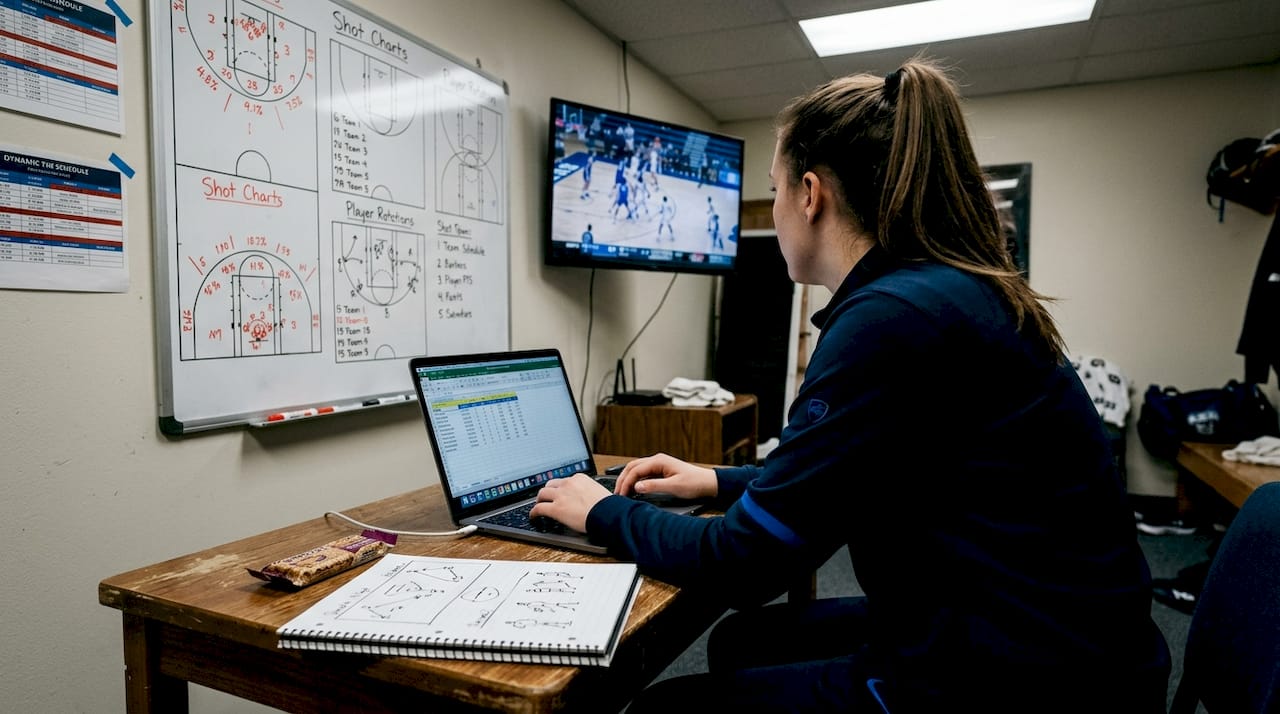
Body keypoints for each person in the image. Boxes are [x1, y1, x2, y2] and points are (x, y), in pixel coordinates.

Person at [530, 57, 1171, 713]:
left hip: (1029, 682)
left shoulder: (889, 320)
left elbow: (745, 565)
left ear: (810, 195)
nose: (776, 207)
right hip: (1063, 640)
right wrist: (716, 480)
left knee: (665, 709)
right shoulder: (943, 291)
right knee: (743, 643)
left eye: (775, 189)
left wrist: (601, 511)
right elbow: (858, 470)